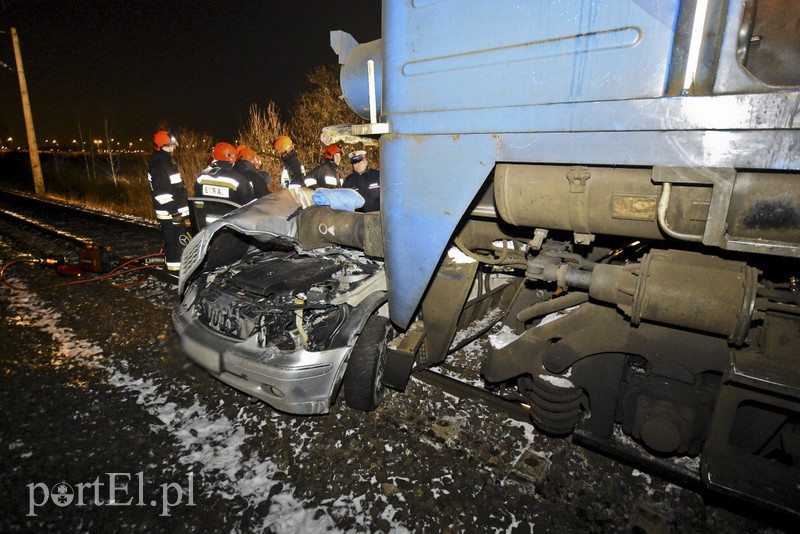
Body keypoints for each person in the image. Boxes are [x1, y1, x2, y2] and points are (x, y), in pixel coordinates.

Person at [147, 130, 190, 272]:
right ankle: (174, 272)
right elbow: (162, 194)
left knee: (180, 242)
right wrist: (174, 212)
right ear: (159, 147)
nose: (171, 149)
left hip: (175, 212)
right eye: (168, 146)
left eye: (172, 146)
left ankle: (178, 269)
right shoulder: (159, 167)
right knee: (174, 244)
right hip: (170, 213)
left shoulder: (167, 164)